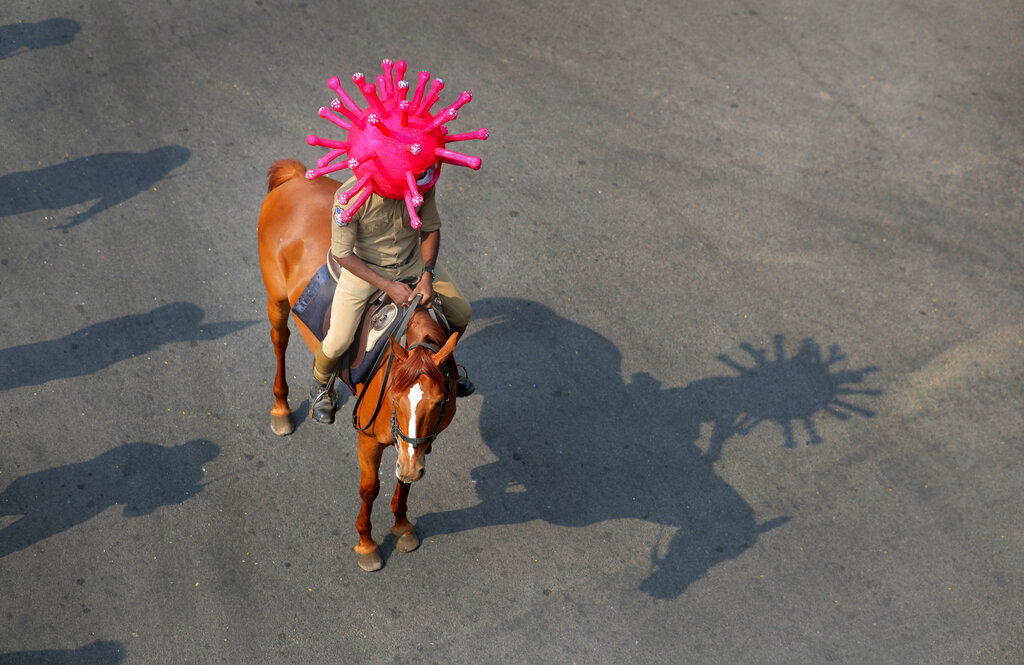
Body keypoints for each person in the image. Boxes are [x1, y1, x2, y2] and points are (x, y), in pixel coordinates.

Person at [308, 171, 474, 424]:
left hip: (414, 264)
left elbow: (430, 229)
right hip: (364, 273)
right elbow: (342, 254)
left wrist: (427, 274)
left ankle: (443, 368)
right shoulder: (348, 197)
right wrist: (388, 286)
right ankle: (320, 385)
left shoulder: (420, 181)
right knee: (338, 341)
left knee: (462, 313)